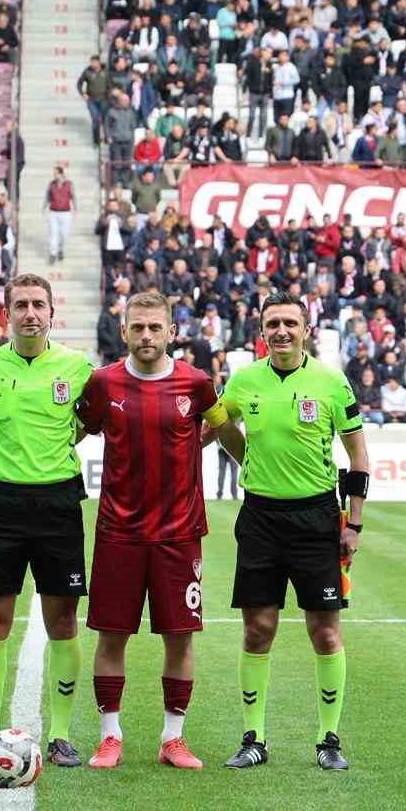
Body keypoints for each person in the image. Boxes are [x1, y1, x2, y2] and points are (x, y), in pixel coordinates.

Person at [75, 291, 235, 770]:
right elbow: (76, 430)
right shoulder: (103, 383)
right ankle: (110, 736)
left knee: (180, 638)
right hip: (118, 531)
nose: (147, 335)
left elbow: (219, 427)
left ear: (171, 332)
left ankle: (173, 738)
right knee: (111, 635)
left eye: (155, 328)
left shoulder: (196, 382)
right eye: (138, 327)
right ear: (124, 332)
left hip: (179, 534)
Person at [215, 292, 371, 771]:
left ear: (306, 329)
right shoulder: (244, 380)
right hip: (260, 518)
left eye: (289, 322)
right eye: (272, 323)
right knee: (257, 629)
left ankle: (329, 740)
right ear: (260, 331)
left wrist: (355, 523)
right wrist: (249, 459)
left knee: (325, 633)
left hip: (317, 520)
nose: (281, 330)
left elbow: (358, 458)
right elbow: (218, 424)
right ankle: (254, 737)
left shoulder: (330, 382)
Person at [0, 273, 93, 767]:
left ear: (52, 312)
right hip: (2, 504)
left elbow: (90, 421)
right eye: (21, 305)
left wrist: (53, 452)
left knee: (62, 619)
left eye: (39, 304)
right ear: (8, 313)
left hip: (59, 504)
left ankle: (60, 735)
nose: (31, 313)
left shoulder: (78, 367)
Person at [44, 165, 75, 264]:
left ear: (61, 174)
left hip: (65, 212)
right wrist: (44, 207)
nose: (55, 175)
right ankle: (53, 253)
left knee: (64, 234)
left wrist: (75, 208)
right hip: (54, 211)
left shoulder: (69, 184)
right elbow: (48, 196)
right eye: (54, 174)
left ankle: (61, 250)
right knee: (53, 234)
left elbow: (73, 196)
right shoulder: (51, 184)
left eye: (56, 173)